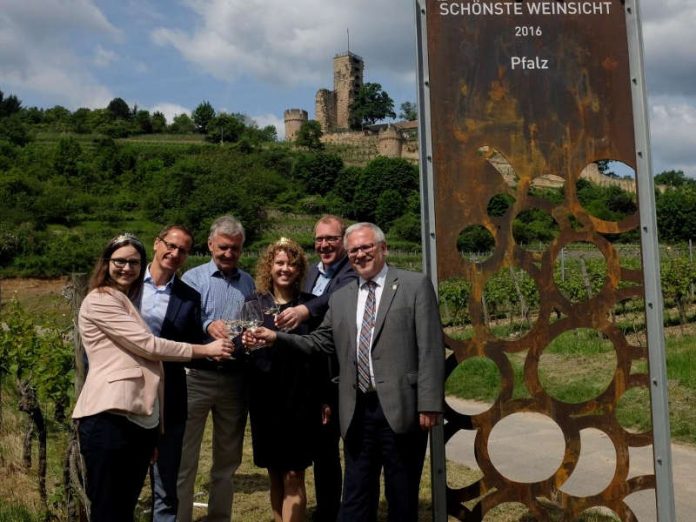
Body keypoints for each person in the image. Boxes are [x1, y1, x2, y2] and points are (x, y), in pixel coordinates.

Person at [248, 223, 445, 522]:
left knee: (401, 495)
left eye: (366, 247)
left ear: (383, 248)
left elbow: (430, 348)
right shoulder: (342, 297)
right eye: (354, 250)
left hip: (401, 408)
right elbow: (319, 341)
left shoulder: (414, 285)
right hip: (357, 411)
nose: (360, 254)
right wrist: (277, 337)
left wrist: (429, 403)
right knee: (355, 497)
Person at [72, 233, 232, 522]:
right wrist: (205, 350)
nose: (127, 268)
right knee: (108, 508)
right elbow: (149, 345)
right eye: (119, 261)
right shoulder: (101, 299)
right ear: (106, 263)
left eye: (133, 262)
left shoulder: (128, 299)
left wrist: (154, 428)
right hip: (109, 413)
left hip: (143, 416)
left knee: (125, 505)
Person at [277, 215, 356, 522]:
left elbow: (336, 298)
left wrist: (305, 309)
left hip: (337, 370)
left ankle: (338, 510)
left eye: (331, 239)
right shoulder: (309, 272)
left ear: (344, 241)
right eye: (320, 239)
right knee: (321, 447)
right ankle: (325, 509)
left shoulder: (351, 272)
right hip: (312, 370)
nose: (324, 245)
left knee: (336, 447)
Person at [177, 215, 255, 522]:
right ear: (210, 245)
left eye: (235, 249)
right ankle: (180, 518)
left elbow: (253, 322)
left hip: (235, 380)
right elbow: (180, 324)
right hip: (196, 376)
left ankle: (220, 518)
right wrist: (208, 325)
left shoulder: (248, 282)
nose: (228, 254)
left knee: (228, 461)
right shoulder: (192, 279)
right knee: (185, 458)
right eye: (223, 247)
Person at [244, 237, 321, 522]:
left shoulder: (310, 306)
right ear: (269, 266)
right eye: (279, 263)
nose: (285, 268)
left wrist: (324, 397)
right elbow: (242, 348)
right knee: (274, 473)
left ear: (300, 268)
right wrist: (245, 341)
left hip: (299, 397)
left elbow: (321, 351)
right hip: (264, 397)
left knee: (293, 473)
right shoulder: (253, 304)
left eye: (291, 263)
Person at [141, 225, 203, 522]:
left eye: (183, 250)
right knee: (120, 481)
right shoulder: (126, 283)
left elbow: (193, 344)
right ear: (157, 243)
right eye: (171, 245)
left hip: (170, 396)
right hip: (126, 394)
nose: (175, 253)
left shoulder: (189, 297)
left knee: (166, 483)